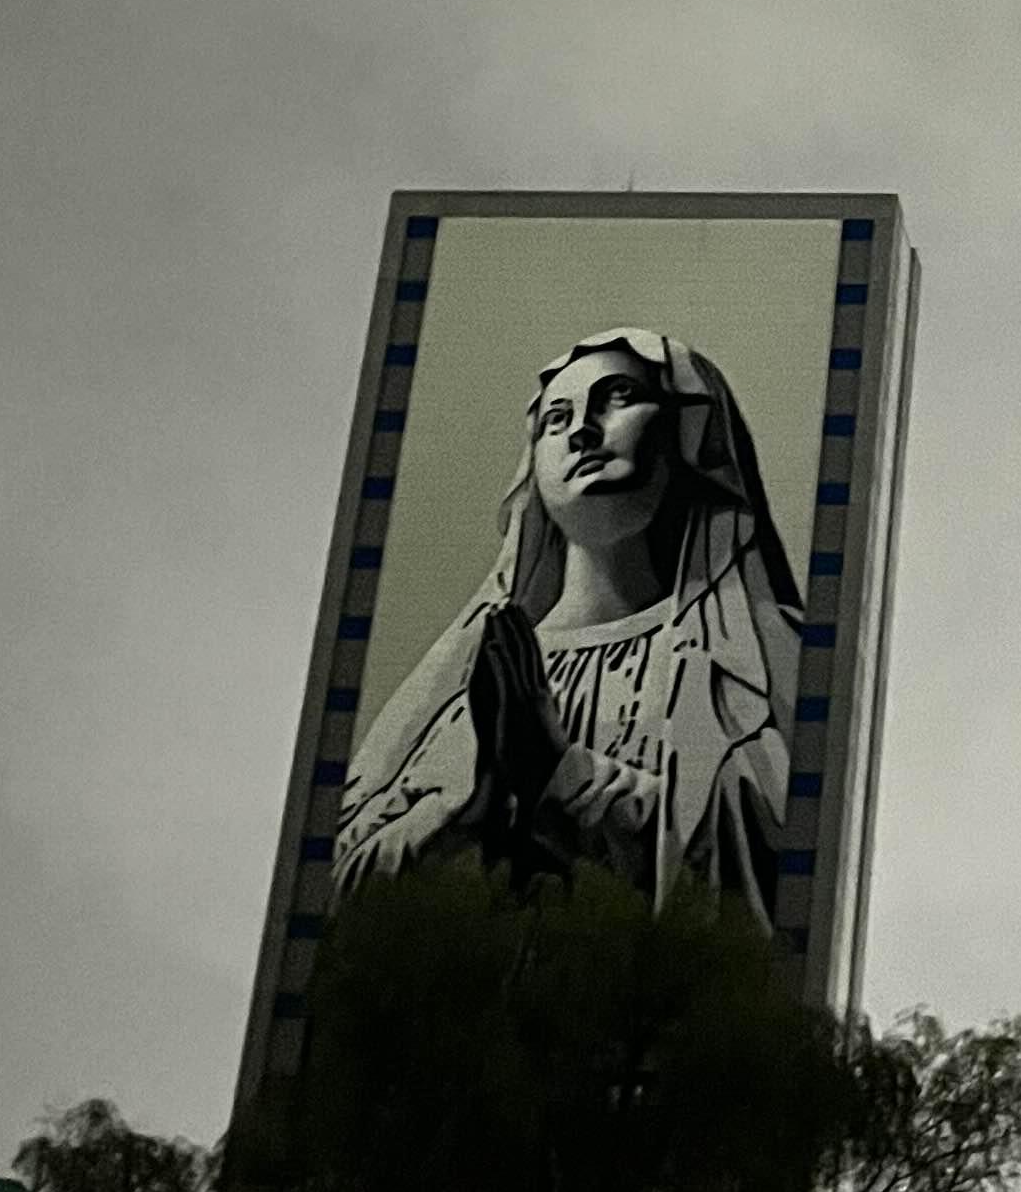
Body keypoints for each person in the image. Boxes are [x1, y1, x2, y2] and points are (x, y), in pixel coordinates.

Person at [333, 331, 801, 927]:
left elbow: (771, 862)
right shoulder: (484, 676)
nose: (582, 430)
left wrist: (563, 770)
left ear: (686, 434)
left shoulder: (758, 656)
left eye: (618, 397)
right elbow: (343, 886)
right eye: (557, 418)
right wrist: (467, 803)